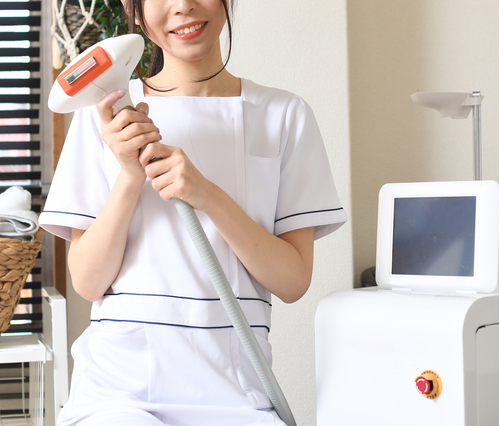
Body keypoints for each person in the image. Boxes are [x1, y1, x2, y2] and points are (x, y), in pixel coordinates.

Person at [39, 0, 346, 424]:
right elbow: (88, 282)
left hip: (238, 396)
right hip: (119, 396)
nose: (183, 6)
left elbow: (292, 282)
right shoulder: (104, 120)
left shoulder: (283, 115)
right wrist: (129, 176)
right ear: (135, 9)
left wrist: (209, 196)